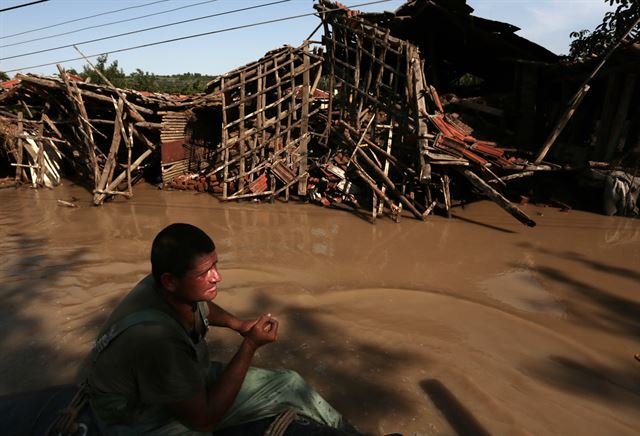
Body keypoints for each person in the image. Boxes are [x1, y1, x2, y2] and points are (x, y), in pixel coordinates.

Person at [81, 223, 359, 435]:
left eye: (216, 265)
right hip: (137, 416)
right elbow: (203, 420)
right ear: (170, 281)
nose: (218, 277)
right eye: (205, 273)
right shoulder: (158, 341)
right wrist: (249, 345)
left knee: (289, 382)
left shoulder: (170, 286)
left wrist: (239, 325)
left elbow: (202, 306)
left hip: (177, 380)